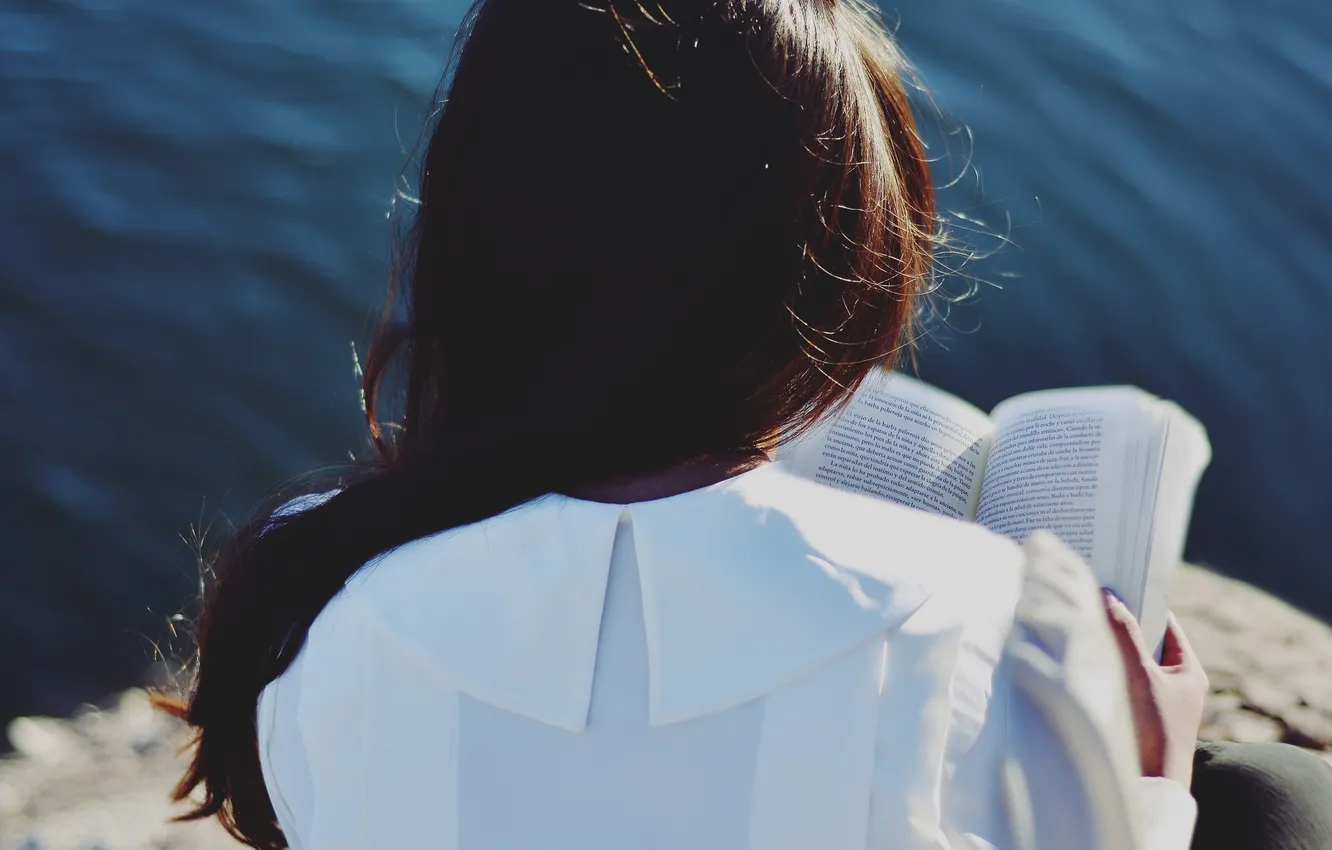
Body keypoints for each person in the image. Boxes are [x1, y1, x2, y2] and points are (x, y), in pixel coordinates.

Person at [156, 0, 1332, 848]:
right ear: (838, 292)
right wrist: (1148, 790)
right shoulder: (995, 623)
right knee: (1277, 798)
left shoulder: (316, 602)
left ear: (482, 233)